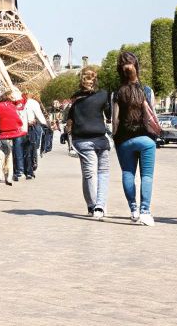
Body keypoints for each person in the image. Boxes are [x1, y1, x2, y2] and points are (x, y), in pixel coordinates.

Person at [111, 50, 162, 226]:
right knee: (147, 176)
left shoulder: (116, 93)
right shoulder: (147, 91)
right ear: (137, 67)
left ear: (120, 70)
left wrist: (116, 139)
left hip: (124, 139)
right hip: (146, 139)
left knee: (128, 173)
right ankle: (145, 211)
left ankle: (133, 209)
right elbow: (152, 116)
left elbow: (114, 120)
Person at [65, 66, 112, 218]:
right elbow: (109, 114)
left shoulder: (75, 98)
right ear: (96, 79)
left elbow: (70, 119)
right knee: (103, 172)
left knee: (89, 174)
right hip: (100, 138)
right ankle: (100, 205)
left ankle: (92, 206)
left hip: (82, 139)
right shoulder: (104, 95)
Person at [0, 88, 26, 185]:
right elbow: (21, 104)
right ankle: (8, 176)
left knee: (1, 154)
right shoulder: (11, 105)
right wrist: (18, 95)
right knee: (8, 154)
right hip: (11, 132)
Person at [18, 90, 48, 180]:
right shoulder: (33, 102)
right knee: (30, 149)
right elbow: (40, 115)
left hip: (19, 128)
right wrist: (45, 124)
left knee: (21, 150)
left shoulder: (17, 102)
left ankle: (21, 170)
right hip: (29, 127)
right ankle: (30, 170)